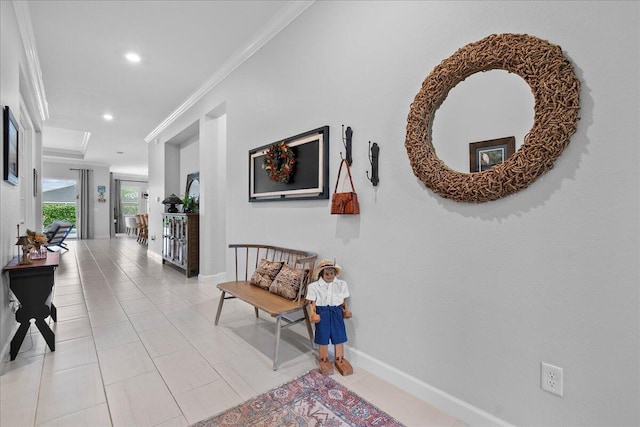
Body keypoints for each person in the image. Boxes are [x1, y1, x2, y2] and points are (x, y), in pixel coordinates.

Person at [306, 259, 353, 376]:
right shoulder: (314, 286)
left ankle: (340, 358)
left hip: (336, 311)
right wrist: (313, 314)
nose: (329, 275)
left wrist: (345, 311)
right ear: (322, 273)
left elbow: (343, 301)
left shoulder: (341, 284)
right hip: (323, 312)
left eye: (332, 273)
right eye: (327, 273)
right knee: (323, 334)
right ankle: (323, 359)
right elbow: (311, 303)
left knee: (339, 334)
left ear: (335, 273)